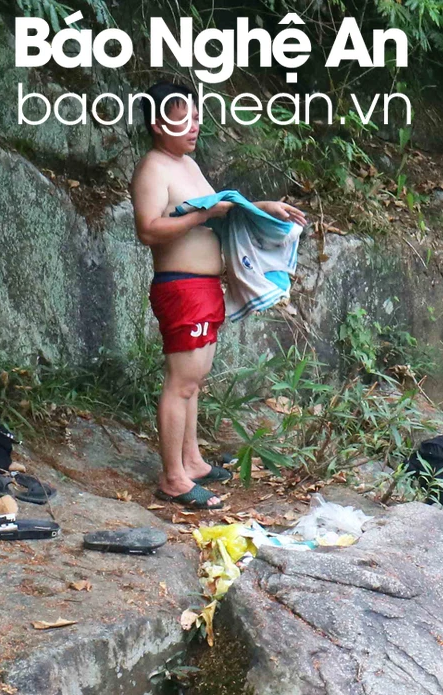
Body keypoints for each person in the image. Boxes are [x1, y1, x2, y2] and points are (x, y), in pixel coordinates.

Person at [131, 80, 304, 510]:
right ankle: (173, 478)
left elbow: (217, 211)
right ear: (157, 124)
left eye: (195, 116)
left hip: (205, 286)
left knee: (194, 381)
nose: (194, 125)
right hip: (181, 286)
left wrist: (262, 207)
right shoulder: (153, 167)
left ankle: (191, 461)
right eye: (183, 117)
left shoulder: (187, 165)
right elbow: (148, 229)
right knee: (181, 382)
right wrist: (205, 214)